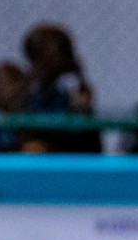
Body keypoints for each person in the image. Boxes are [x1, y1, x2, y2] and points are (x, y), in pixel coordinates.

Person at [21, 24, 101, 154]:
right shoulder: (36, 87)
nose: (31, 66)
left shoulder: (70, 84)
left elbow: (77, 132)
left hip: (72, 156)